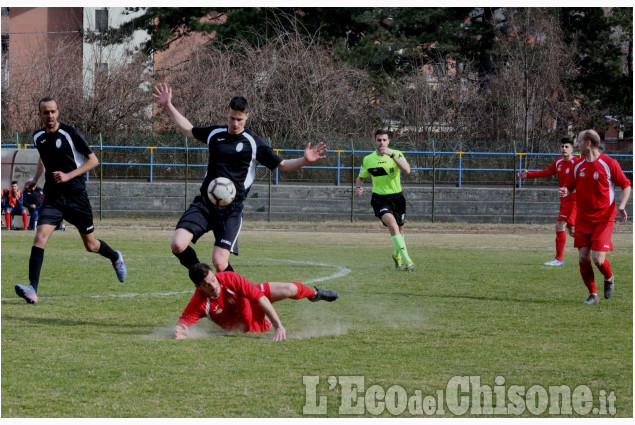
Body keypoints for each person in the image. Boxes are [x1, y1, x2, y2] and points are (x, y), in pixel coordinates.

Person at [153, 83, 328, 273]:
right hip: (205, 203)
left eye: (239, 120)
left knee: (220, 262)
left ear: (247, 117)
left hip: (231, 210)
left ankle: (239, 295)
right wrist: (168, 105)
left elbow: (283, 165)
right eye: (231, 118)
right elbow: (188, 130)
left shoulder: (254, 143)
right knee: (177, 244)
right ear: (227, 114)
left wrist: (304, 160)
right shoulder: (215, 134)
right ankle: (206, 280)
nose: (235, 124)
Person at [14, 97, 127, 305]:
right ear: (39, 115)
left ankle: (114, 257)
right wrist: (34, 179)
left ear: (58, 112)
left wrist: (69, 175)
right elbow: (43, 158)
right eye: (45, 112)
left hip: (76, 197)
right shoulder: (38, 136)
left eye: (53, 112)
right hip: (53, 197)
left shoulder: (70, 133)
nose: (50, 116)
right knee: (40, 236)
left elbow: (93, 160)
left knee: (91, 245)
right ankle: (32, 289)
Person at [174, 263, 339, 341]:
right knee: (253, 327)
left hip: (251, 303)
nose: (214, 286)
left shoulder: (230, 278)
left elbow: (260, 297)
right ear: (198, 287)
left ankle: (314, 293)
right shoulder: (199, 302)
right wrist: (180, 332)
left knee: (289, 289)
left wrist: (278, 325)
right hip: (247, 326)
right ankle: (262, 322)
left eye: (214, 280)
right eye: (207, 285)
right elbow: (183, 323)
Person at [559, 129, 631, 305]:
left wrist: (622, 206)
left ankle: (609, 277)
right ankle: (593, 294)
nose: (578, 145)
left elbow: (626, 185)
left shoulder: (609, 163)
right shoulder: (578, 166)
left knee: (598, 259)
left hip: (603, 218)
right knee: (583, 257)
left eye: (580, 141)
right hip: (583, 217)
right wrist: (565, 190)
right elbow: (570, 185)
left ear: (588, 143)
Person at [354, 129, 414, 271]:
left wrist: (392, 156)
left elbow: (407, 170)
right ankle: (408, 262)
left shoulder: (397, 154)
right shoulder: (368, 159)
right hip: (380, 199)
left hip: (398, 198)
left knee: (399, 230)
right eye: (379, 140)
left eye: (384, 140)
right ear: (374, 141)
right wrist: (358, 187)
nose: (382, 143)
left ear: (388, 141)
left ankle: (396, 255)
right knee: (392, 225)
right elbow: (360, 177)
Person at [517, 137, 580, 266]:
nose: (564, 149)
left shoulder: (577, 164)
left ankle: (559, 259)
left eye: (567, 147)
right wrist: (528, 174)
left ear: (572, 149)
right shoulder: (558, 162)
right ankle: (592, 245)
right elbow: (547, 172)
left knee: (559, 225)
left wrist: (571, 191)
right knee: (572, 231)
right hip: (564, 200)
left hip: (574, 200)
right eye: (562, 146)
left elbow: (583, 183)